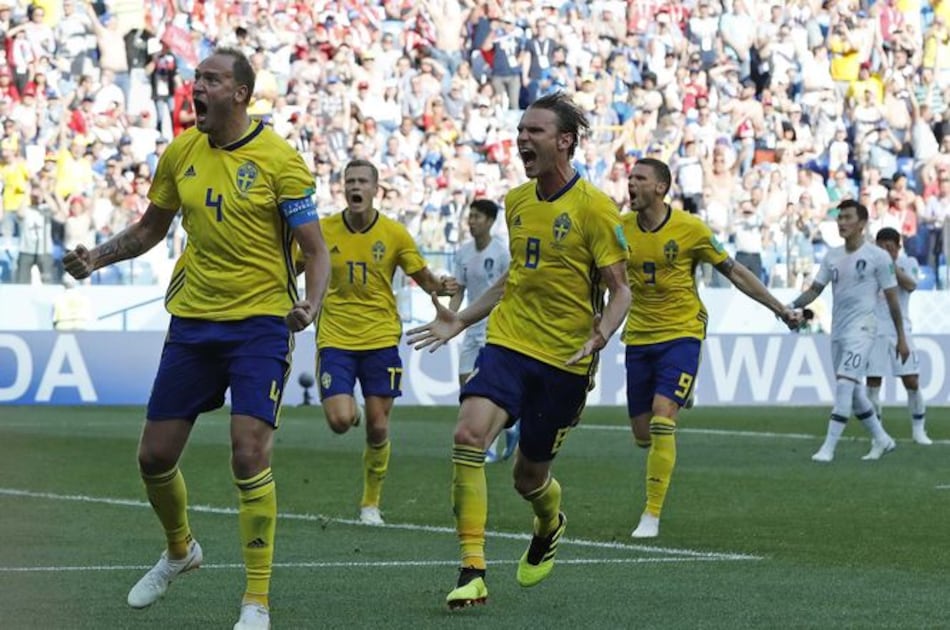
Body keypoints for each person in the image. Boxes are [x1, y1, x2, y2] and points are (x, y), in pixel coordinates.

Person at [62, 48, 331, 630]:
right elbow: (150, 229)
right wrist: (96, 259)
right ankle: (181, 550)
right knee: (154, 457)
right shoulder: (181, 150)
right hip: (193, 321)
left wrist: (310, 302)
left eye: (210, 79)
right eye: (195, 78)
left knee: (247, 452)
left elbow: (315, 249)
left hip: (262, 324)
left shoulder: (280, 162)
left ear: (240, 92)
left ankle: (255, 601)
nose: (196, 87)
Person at [406, 93, 631, 609]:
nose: (523, 139)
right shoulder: (516, 200)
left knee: (528, 477)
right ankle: (472, 570)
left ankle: (550, 521)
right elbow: (516, 279)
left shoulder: (595, 208)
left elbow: (620, 289)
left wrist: (601, 335)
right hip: (509, 343)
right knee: (467, 435)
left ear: (565, 141)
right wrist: (460, 320)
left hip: (565, 359)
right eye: (521, 130)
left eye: (536, 131)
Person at [623, 158, 800, 539]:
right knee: (642, 435)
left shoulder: (691, 229)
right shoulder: (618, 230)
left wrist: (780, 308)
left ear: (660, 187)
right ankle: (678, 396)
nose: (630, 184)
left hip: (682, 332)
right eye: (629, 178)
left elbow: (734, 271)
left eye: (640, 178)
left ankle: (651, 515)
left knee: (661, 416)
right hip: (638, 336)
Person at [313, 158, 458, 526]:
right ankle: (353, 409)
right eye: (350, 181)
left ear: (376, 189)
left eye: (362, 181)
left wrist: (440, 286)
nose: (355, 187)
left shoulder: (394, 234)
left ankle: (370, 504)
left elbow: (422, 277)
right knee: (340, 421)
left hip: (380, 337)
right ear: (342, 188)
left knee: (378, 429)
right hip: (336, 337)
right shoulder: (323, 230)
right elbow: (295, 263)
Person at [788, 200, 908, 463]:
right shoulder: (832, 255)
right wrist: (789, 306)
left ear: (862, 223)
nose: (841, 222)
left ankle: (828, 448)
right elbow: (814, 290)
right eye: (839, 217)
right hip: (839, 330)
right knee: (854, 393)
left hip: (864, 329)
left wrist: (901, 337)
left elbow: (892, 300)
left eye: (847, 217)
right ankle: (882, 439)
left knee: (844, 385)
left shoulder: (878, 257)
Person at [448, 198, 517, 464]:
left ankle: (487, 446)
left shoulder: (502, 253)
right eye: (470, 216)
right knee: (466, 386)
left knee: (484, 389)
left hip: (495, 329)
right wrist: (450, 317)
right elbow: (459, 290)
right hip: (470, 327)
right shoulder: (463, 253)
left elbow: (508, 291)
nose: (472, 221)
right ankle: (510, 427)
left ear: (489, 221)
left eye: (477, 217)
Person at [866, 228, 932, 446]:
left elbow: (911, 284)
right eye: (880, 247)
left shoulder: (908, 262)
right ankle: (878, 435)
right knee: (873, 382)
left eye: (889, 247)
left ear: (898, 247)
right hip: (874, 330)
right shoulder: (868, 266)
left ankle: (918, 430)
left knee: (911, 380)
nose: (884, 251)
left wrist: (890, 266)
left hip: (900, 330)